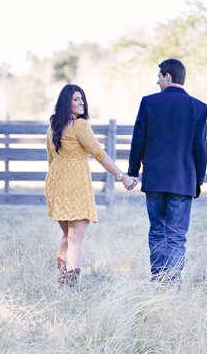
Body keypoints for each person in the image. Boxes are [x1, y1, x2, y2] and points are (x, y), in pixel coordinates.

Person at [45, 84, 137, 286]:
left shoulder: (53, 127)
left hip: (55, 184)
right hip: (75, 184)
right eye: (76, 99)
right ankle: (70, 286)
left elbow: (51, 160)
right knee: (75, 240)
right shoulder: (80, 126)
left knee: (66, 237)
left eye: (82, 99)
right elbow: (99, 154)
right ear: (65, 103)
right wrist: (122, 176)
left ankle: (62, 281)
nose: (81, 103)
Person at [128, 58, 207, 286]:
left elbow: (138, 140)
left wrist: (133, 171)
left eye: (159, 77)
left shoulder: (149, 103)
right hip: (183, 181)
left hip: (154, 180)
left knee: (156, 232)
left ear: (168, 76)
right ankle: (171, 285)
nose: (157, 82)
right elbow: (200, 148)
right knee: (175, 236)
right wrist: (198, 180)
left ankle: (158, 282)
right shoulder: (198, 107)